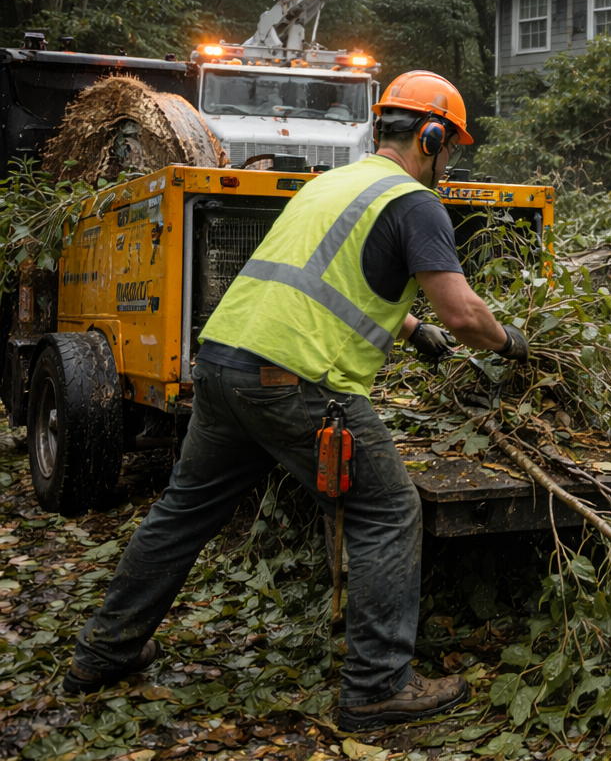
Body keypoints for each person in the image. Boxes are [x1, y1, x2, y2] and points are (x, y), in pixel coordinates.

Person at [64, 71, 530, 732]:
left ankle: (101, 653)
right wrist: (512, 344)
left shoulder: (331, 185)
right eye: (450, 147)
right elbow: (464, 312)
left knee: (183, 512)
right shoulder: (414, 202)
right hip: (295, 380)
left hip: (223, 362)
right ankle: (376, 687)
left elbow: (323, 276)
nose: (448, 161)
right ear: (432, 137)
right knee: (388, 509)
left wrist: (410, 328)